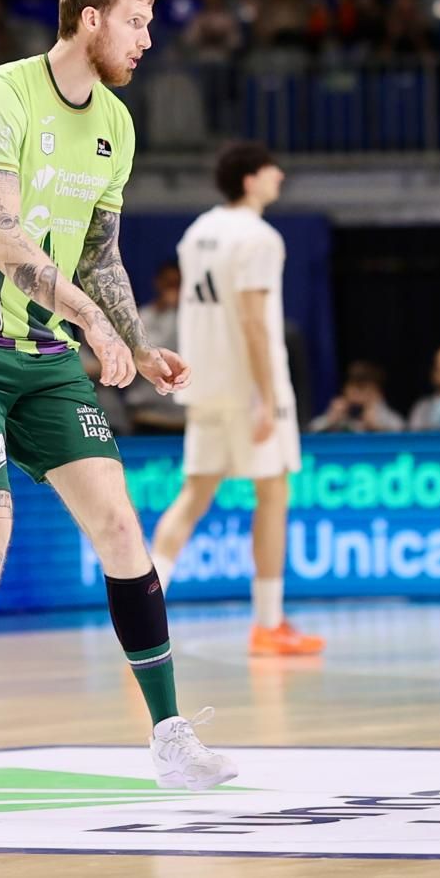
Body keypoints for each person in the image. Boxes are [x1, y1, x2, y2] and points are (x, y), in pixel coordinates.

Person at [0, 0, 233, 825]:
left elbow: (99, 253)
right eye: (135, 23)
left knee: (123, 524)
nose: (146, 40)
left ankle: (169, 739)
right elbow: (3, 236)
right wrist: (92, 323)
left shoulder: (117, 126)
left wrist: (134, 341)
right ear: (88, 20)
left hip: (45, 352)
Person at [147, 143, 322, 657]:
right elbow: (251, 321)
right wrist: (267, 398)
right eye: (273, 170)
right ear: (250, 179)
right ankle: (268, 623)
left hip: (204, 385)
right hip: (247, 390)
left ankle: (139, 615)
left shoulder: (197, 231)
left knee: (192, 497)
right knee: (273, 496)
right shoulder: (259, 237)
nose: (281, 175)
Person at [124, 261, 185, 433]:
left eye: (177, 284)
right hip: (148, 416)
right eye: (168, 283)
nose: (172, 290)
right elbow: (140, 355)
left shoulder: (193, 320)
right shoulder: (141, 317)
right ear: (158, 283)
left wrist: (177, 309)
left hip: (186, 416)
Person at [309, 360, 407, 432]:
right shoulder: (340, 413)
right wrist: (330, 420)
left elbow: (403, 431)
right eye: (353, 388)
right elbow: (310, 430)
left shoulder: (383, 414)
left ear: (377, 393)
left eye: (362, 389)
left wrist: (377, 426)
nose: (357, 395)